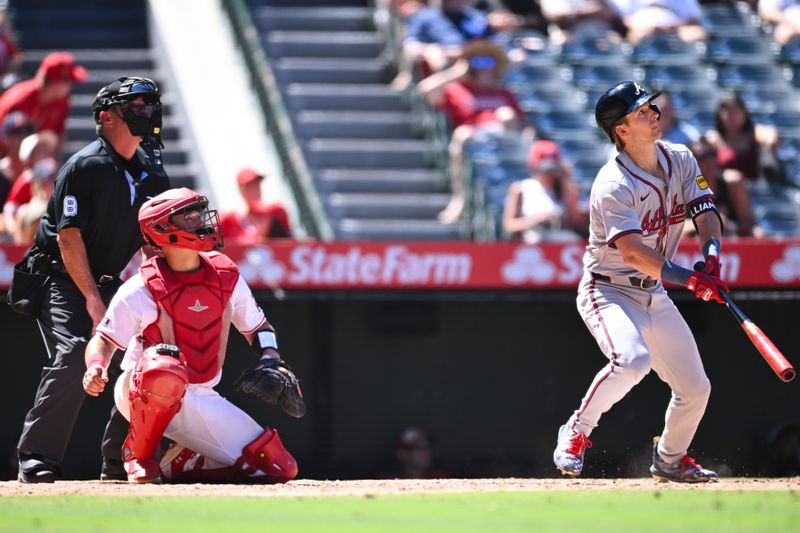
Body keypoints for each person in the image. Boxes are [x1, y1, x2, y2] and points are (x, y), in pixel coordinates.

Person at [552, 81, 727, 483]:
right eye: (641, 112)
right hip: (609, 288)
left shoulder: (680, 157)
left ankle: (670, 458)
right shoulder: (613, 183)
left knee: (696, 388)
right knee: (632, 361)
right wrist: (690, 279)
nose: (653, 114)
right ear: (622, 131)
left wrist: (712, 256)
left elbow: (704, 211)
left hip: (654, 292)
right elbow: (633, 253)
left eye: (652, 107)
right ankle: (576, 430)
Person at [82, 187, 305, 483]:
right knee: (164, 364)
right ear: (162, 230)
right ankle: (140, 455)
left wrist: (271, 357)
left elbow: (259, 328)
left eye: (200, 214)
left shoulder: (226, 275)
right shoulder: (141, 287)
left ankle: (184, 461)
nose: (201, 222)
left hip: (201, 394)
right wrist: (96, 365)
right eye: (189, 218)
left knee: (279, 467)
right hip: (141, 391)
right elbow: (104, 340)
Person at [12, 76, 170, 483]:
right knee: (78, 352)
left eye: (148, 104)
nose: (147, 112)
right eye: (135, 106)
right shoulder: (85, 166)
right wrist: (93, 300)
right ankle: (36, 457)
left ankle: (121, 460)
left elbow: (153, 242)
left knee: (152, 357)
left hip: (110, 279)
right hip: (59, 276)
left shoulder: (153, 171)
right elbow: (68, 238)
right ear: (107, 116)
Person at [418, 39, 532, 223]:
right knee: (462, 134)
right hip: (475, 139)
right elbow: (425, 90)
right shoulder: (457, 90)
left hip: (506, 139)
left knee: (506, 114)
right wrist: (455, 72)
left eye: (489, 62)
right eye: (478, 62)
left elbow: (524, 124)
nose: (485, 68)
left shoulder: (504, 93)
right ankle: (459, 199)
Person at [0, 51, 87, 155]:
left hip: (36, 163)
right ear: (56, 82)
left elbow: (59, 135)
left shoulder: (61, 100)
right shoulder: (18, 99)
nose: (70, 87)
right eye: (68, 82)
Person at [502, 139, 584, 242]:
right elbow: (509, 226)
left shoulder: (564, 188)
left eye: (552, 169)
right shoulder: (521, 189)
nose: (549, 174)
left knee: (573, 240)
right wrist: (537, 220)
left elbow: (576, 222)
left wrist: (567, 181)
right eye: (545, 170)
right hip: (532, 240)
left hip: (559, 237)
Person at [685, 136, 760, 237]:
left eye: (712, 154)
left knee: (758, 234)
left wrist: (730, 225)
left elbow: (749, 225)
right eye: (702, 157)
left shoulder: (733, 183)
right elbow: (673, 229)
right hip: (696, 243)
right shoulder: (684, 189)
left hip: (731, 240)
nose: (709, 161)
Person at [706, 92, 783, 184]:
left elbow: (769, 134)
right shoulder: (715, 139)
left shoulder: (754, 134)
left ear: (744, 113)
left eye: (735, 111)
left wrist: (770, 139)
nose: (732, 116)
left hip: (757, 191)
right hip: (725, 192)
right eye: (727, 112)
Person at [219, 167, 292, 245]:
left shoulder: (275, 212)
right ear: (241, 190)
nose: (256, 189)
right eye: (250, 186)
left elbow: (290, 243)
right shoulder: (229, 221)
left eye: (257, 184)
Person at [610, 0, 707, 44]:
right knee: (641, 33)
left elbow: (693, 19)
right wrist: (649, 27)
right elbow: (623, 17)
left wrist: (673, 26)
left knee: (697, 34)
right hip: (642, 23)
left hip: (675, 25)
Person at [12, 157, 58, 245]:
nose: (57, 181)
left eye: (59, 176)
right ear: (40, 183)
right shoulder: (24, 213)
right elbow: (20, 249)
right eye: (51, 177)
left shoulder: (66, 209)